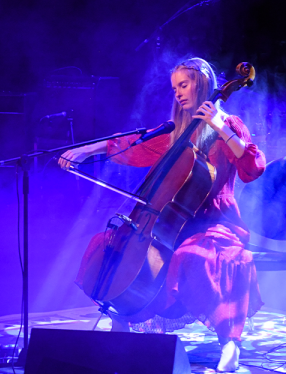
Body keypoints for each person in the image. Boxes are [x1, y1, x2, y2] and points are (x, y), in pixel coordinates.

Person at [59, 57, 266, 372]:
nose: (178, 93)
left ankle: (230, 346)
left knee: (197, 255)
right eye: (174, 88)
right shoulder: (177, 132)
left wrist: (220, 127)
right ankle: (121, 323)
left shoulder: (229, 125)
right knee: (108, 244)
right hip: (170, 223)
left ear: (203, 83)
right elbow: (130, 146)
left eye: (184, 85)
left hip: (214, 223)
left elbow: (253, 168)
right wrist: (89, 150)